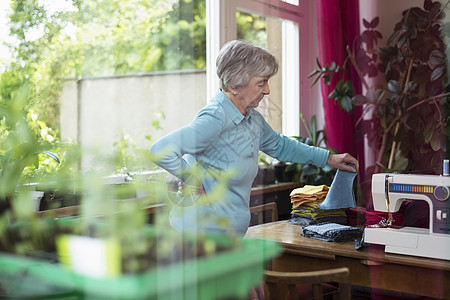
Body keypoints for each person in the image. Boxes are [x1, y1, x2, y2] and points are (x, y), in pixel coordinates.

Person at [149, 40, 358, 236]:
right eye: (261, 83)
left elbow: (280, 145)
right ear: (233, 84)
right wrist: (191, 179)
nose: (267, 90)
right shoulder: (215, 117)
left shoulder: (251, 119)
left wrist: (329, 159)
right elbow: (161, 150)